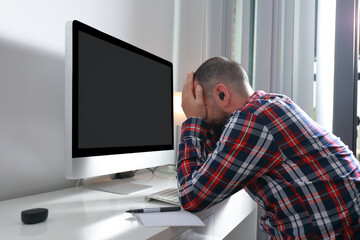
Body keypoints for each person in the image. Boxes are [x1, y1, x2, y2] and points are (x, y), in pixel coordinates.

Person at [176, 56, 360, 239]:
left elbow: (192, 197)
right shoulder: (271, 104)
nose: (202, 115)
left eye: (203, 107)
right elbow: (212, 171)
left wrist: (194, 121)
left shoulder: (252, 118)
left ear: (221, 94)